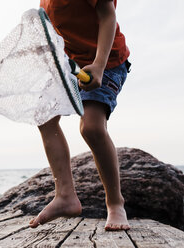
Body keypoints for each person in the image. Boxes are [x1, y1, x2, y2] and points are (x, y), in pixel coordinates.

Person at [29, 0, 131, 231]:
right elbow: (51, 36)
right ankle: (65, 196)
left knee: (92, 127)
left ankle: (115, 203)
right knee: (44, 115)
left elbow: (108, 16)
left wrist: (98, 65)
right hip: (70, 65)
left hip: (108, 61)